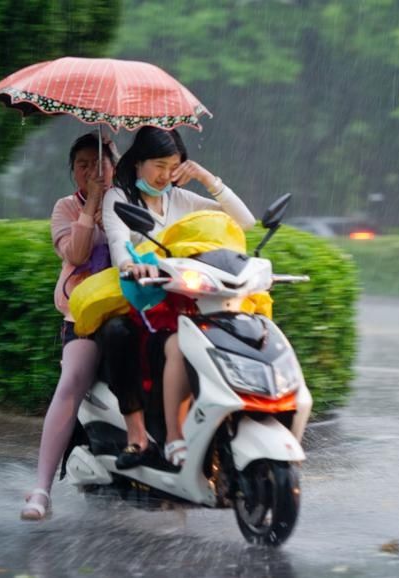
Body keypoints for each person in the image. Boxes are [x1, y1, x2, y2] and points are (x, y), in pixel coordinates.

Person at [103, 126, 255, 468]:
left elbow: (243, 223)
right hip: (147, 298)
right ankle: (171, 436)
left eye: (174, 166)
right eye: (159, 165)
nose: (166, 175)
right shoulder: (120, 197)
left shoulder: (181, 198)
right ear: (138, 163)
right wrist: (132, 265)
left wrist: (205, 177)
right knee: (175, 344)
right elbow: (118, 244)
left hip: (192, 297)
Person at [21, 132, 119, 521]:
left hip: (134, 312)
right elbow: (76, 254)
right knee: (72, 380)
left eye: (101, 163)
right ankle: (42, 488)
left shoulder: (129, 201)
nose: (93, 170)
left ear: (116, 165)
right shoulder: (65, 208)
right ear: (72, 172)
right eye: (83, 164)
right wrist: (91, 204)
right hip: (84, 316)